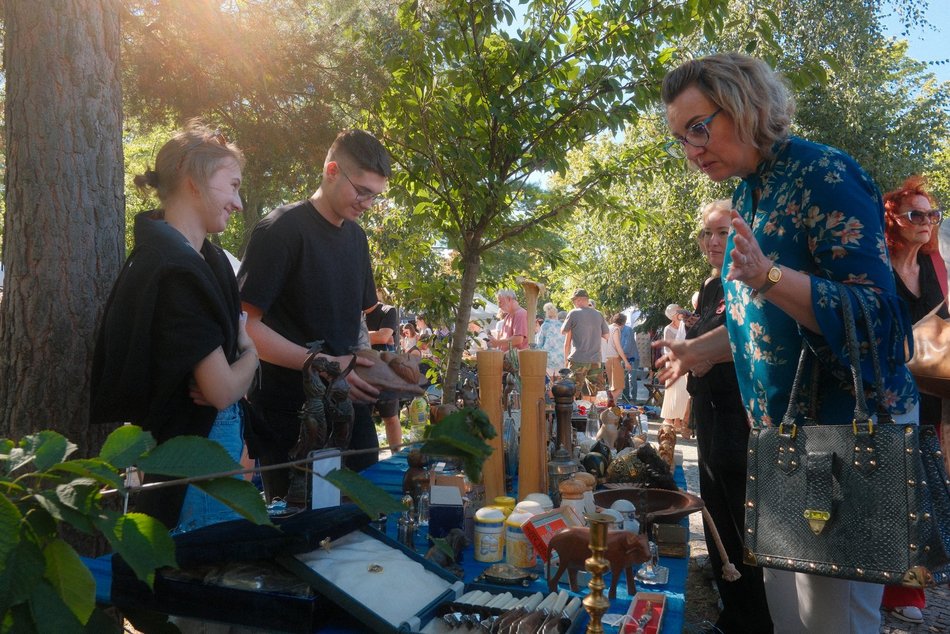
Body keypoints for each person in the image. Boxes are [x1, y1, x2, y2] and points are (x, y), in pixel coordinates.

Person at [658, 53, 918, 633]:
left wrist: (770, 276)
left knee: (831, 620)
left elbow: (881, 320)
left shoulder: (825, 174)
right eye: (681, 138)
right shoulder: (749, 193)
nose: (692, 149)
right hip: (780, 439)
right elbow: (767, 324)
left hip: (842, 435)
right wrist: (701, 351)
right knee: (789, 616)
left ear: (747, 106)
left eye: (700, 127)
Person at [90, 122, 259, 532]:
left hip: (212, 447)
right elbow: (219, 390)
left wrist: (238, 371)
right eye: (232, 185)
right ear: (194, 181)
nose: (237, 202)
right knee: (200, 580)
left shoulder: (204, 259)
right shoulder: (173, 267)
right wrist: (251, 356)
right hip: (188, 458)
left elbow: (225, 386)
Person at [238, 129, 390, 504]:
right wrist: (325, 366)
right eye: (362, 191)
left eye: (376, 195)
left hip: (350, 414)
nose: (368, 203)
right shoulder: (281, 229)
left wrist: (372, 363)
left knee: (362, 522)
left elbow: (354, 320)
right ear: (332, 170)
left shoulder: (356, 239)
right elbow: (245, 327)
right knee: (301, 533)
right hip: (292, 418)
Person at [686, 199, 773, 632]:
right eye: (708, 234)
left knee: (742, 518)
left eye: (724, 232)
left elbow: (745, 338)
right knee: (715, 510)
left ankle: (754, 618)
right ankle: (732, 608)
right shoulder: (708, 286)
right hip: (709, 410)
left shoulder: (745, 279)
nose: (714, 242)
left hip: (740, 414)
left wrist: (700, 355)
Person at [879, 175, 947, 624]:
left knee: (921, 493)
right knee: (887, 490)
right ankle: (877, 583)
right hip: (887, 391)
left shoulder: (937, 267)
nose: (925, 222)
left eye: (931, 215)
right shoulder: (878, 265)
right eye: (915, 214)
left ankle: (911, 593)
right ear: (893, 221)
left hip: (932, 390)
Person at [366, 294, 403, 449]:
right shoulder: (354, 312)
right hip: (360, 372)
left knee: (390, 417)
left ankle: (397, 457)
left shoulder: (388, 310)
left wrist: (359, 335)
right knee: (362, 419)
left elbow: (383, 337)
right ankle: (365, 460)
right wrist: (375, 336)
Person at [561, 289, 609, 398]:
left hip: (578, 359)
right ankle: (595, 412)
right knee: (597, 392)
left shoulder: (574, 313)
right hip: (596, 359)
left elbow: (563, 331)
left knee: (572, 390)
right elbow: (606, 336)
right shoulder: (598, 314)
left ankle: (573, 413)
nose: (574, 304)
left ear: (578, 300)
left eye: (574, 301)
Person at [659, 304, 690, 438]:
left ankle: (679, 420)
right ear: (673, 315)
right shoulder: (668, 329)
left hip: (683, 362)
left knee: (683, 392)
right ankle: (671, 420)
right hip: (672, 363)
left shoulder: (684, 325)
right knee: (673, 392)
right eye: (678, 310)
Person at [605, 313, 632, 403]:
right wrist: (626, 362)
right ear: (623, 322)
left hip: (607, 359)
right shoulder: (616, 329)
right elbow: (618, 346)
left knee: (613, 386)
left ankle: (611, 409)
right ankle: (607, 404)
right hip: (614, 359)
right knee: (620, 387)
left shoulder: (607, 327)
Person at [535, 302, 566, 378]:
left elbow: (539, 343)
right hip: (561, 357)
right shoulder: (562, 325)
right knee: (559, 382)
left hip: (548, 359)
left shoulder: (545, 325)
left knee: (550, 382)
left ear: (546, 314)